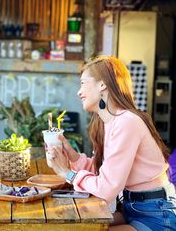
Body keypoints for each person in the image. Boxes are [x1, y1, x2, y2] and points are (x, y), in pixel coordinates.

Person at [48, 56, 176, 231]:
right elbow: (105, 172)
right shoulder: (107, 123)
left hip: (156, 214)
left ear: (102, 85)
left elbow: (107, 189)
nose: (79, 92)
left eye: (83, 83)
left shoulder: (127, 122)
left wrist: (66, 173)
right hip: (131, 209)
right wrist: (73, 156)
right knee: (74, 226)